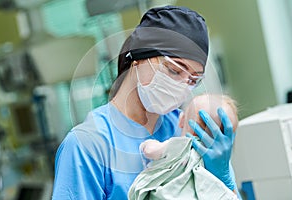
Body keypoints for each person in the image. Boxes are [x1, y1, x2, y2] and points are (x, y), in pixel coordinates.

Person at [52, 5, 239, 200]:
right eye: (174, 70)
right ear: (139, 58)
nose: (182, 87)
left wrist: (223, 178)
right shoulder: (87, 146)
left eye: (193, 80)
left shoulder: (190, 128)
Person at [129, 94, 239, 199]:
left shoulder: (180, 146)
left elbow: (151, 150)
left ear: (181, 120)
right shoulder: (220, 165)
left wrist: (146, 145)